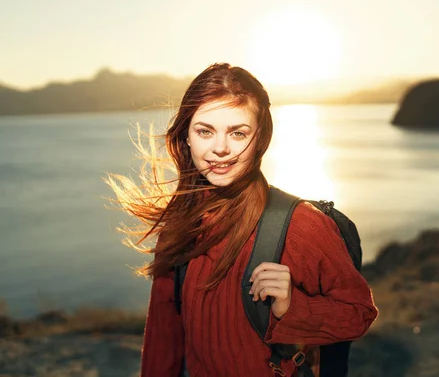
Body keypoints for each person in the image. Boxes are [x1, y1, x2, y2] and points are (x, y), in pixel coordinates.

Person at [106, 63, 378, 376]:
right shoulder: (181, 227)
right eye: (205, 131)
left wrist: (293, 307)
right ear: (187, 137)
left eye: (237, 133)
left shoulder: (302, 225)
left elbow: (359, 313)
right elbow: (163, 340)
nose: (220, 148)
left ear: (260, 138)